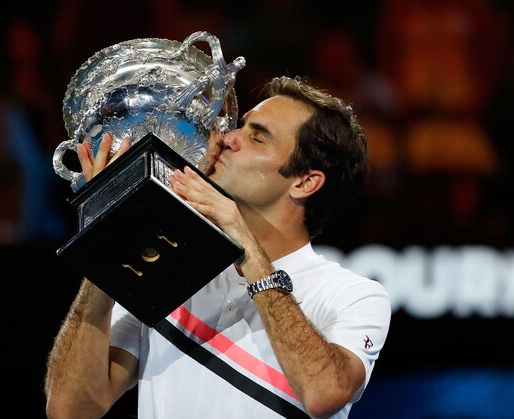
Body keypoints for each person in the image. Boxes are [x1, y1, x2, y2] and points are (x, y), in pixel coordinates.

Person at [44, 75, 392, 418]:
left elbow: (323, 395)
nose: (226, 138)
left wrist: (247, 249)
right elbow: (71, 409)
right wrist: (109, 236)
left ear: (304, 182)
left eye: (257, 138)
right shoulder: (165, 264)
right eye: (241, 126)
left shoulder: (354, 295)